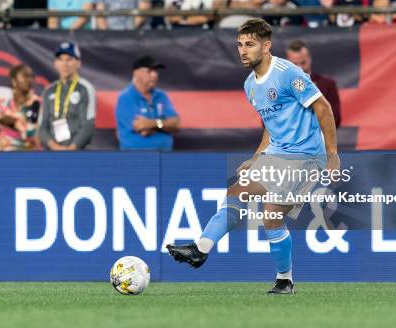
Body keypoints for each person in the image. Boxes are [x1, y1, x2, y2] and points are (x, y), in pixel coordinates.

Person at [166, 19, 339, 295]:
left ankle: (284, 279)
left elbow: (324, 107)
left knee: (270, 215)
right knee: (236, 193)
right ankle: (201, 250)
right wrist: (256, 157)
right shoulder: (250, 85)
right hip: (279, 153)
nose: (243, 50)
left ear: (266, 46)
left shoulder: (287, 73)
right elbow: (271, 126)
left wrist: (332, 155)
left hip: (305, 154)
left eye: (250, 44)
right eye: (239, 45)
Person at [39, 41, 96, 151]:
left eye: (69, 59)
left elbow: (88, 125)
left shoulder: (85, 88)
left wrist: (72, 148)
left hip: (77, 152)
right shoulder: (49, 90)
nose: (64, 64)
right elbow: (42, 127)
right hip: (52, 152)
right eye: (61, 59)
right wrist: (54, 147)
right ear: (55, 63)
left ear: (78, 63)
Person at [115, 56, 180, 150]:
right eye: (149, 71)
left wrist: (152, 124)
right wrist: (163, 125)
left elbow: (176, 125)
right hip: (136, 158)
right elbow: (142, 128)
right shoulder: (126, 97)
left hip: (164, 157)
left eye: (156, 71)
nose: (154, 75)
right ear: (136, 73)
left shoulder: (162, 96)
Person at [286, 40, 342, 127]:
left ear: (310, 59)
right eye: (295, 64)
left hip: (319, 139)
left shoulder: (327, 85)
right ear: (288, 62)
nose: (299, 68)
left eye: (303, 63)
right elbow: (268, 120)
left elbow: (336, 119)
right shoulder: (280, 86)